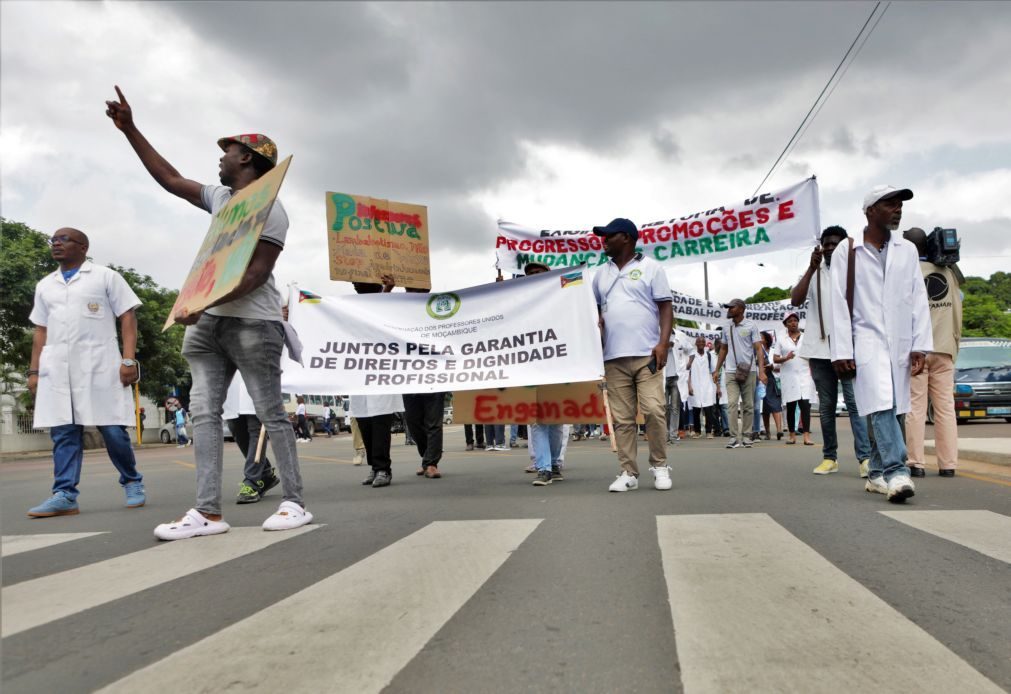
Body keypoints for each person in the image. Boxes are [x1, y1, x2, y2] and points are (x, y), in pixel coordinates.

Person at [106, 86, 311, 538]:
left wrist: (201, 303)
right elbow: (170, 178)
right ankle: (207, 512)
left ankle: (295, 503)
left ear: (249, 159)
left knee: (270, 413)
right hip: (206, 324)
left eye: (230, 151)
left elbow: (256, 274)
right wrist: (129, 129)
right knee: (204, 414)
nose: (221, 157)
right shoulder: (220, 199)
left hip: (253, 323)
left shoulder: (271, 210)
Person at [26, 228, 147, 517]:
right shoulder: (46, 285)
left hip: (100, 365)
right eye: (53, 240)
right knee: (64, 432)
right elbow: (40, 330)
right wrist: (34, 370)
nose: (56, 243)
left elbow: (127, 316)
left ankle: (132, 481)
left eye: (63, 239)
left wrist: (129, 361)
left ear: (83, 247)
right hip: (58, 369)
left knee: (112, 429)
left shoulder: (105, 276)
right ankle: (65, 494)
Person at [829, 186, 931, 503]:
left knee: (896, 408)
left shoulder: (907, 250)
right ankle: (897, 470)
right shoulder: (847, 250)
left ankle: (875, 474)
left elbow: (918, 299)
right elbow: (838, 303)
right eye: (890, 204)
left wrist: (920, 344)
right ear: (870, 210)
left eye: (900, 205)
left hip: (900, 340)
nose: (898, 209)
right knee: (883, 404)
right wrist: (842, 351)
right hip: (866, 340)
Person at [590, 218, 674, 492]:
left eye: (608, 235)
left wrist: (663, 343)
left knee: (653, 411)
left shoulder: (651, 268)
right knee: (623, 420)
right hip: (613, 357)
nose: (603, 240)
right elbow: (594, 312)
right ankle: (629, 473)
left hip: (646, 354)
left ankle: (660, 467)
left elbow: (665, 307)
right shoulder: (600, 274)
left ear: (625, 237)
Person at [792, 225, 872, 476]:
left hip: (847, 348)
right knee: (826, 406)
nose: (829, 248)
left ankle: (865, 458)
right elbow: (795, 300)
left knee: (854, 404)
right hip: (819, 349)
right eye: (826, 244)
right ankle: (830, 457)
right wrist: (811, 268)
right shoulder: (815, 272)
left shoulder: (855, 270)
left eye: (835, 244)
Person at [903, 227, 963, 478]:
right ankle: (948, 465)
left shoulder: (906, 273)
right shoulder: (949, 274)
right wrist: (953, 347)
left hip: (918, 350)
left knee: (915, 408)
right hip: (944, 349)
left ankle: (916, 463)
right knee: (946, 409)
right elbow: (957, 313)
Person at [713, 299, 767, 449]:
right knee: (731, 404)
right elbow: (723, 349)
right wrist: (717, 370)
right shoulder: (726, 327)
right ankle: (733, 437)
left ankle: (747, 436)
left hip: (749, 371)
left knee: (748, 405)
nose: (729, 309)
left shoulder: (751, 325)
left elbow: (758, 349)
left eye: (732, 307)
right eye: (728, 307)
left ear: (741, 309)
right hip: (730, 370)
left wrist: (761, 371)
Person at [223, 372, 280, 504]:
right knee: (236, 428)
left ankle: (251, 481)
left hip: (256, 378)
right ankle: (265, 473)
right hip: (233, 385)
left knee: (256, 430)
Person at [775, 312, 813, 445]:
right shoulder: (781, 339)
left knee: (805, 407)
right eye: (790, 321)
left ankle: (806, 436)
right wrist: (786, 358)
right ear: (785, 324)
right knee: (791, 407)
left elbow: (812, 353)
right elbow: (775, 358)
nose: (793, 323)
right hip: (789, 377)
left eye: (795, 320)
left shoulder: (805, 337)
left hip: (804, 376)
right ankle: (792, 435)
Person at [686, 336, 718, 438]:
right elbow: (688, 372)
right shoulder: (692, 356)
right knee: (696, 410)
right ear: (696, 344)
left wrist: (718, 387)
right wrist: (689, 386)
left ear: (705, 344)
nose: (700, 343)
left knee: (708, 409)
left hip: (707, 386)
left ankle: (709, 432)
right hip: (695, 385)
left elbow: (714, 372)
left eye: (702, 342)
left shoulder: (709, 356)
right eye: (698, 341)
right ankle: (697, 431)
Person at [759, 331, 784, 441]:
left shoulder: (774, 351)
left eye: (761, 338)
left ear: (767, 340)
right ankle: (768, 432)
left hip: (772, 380)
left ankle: (779, 430)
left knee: (775, 406)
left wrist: (772, 366)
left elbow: (780, 365)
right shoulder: (756, 351)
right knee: (764, 409)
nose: (759, 339)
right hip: (760, 381)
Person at [712, 336, 730, 435]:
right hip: (713, 385)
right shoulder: (710, 355)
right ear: (715, 345)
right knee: (714, 409)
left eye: (722, 345)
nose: (720, 346)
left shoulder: (726, 356)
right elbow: (713, 371)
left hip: (724, 385)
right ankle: (717, 429)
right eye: (719, 344)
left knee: (724, 407)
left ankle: (726, 428)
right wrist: (717, 386)